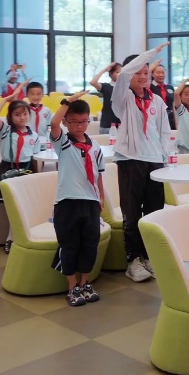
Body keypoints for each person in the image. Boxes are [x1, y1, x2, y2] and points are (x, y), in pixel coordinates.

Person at [111, 44, 172, 283]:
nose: (144, 76)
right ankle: (133, 260)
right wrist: (150, 54)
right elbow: (124, 74)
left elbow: (164, 133)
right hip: (130, 160)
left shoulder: (156, 101)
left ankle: (149, 256)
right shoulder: (123, 98)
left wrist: (164, 158)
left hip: (154, 162)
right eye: (139, 72)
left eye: (147, 72)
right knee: (132, 213)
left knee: (155, 212)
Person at [49, 92, 106, 307]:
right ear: (66, 122)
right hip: (67, 202)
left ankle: (85, 283)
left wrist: (101, 198)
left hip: (91, 202)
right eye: (74, 122)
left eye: (84, 121)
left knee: (90, 244)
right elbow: (54, 123)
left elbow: (99, 175)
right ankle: (72, 286)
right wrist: (67, 102)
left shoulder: (96, 147)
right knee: (69, 245)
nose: (79, 126)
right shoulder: (63, 142)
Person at [0, 81, 43, 252]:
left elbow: (36, 158)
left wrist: (37, 176)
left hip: (27, 169)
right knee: (12, 207)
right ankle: (11, 238)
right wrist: (6, 99)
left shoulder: (34, 135)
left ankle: (15, 238)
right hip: (8, 169)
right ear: (11, 117)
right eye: (17, 114)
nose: (22, 117)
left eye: (25, 114)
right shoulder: (5, 131)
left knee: (23, 206)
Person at [90, 62, 122, 131]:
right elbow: (93, 82)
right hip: (107, 125)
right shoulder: (106, 87)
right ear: (111, 74)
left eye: (121, 73)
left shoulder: (126, 88)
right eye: (117, 72)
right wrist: (105, 70)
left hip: (122, 125)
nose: (120, 75)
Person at [150, 64, 176, 130]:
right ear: (152, 74)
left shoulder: (170, 87)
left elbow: (174, 103)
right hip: (156, 117)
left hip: (170, 118)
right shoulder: (149, 87)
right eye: (158, 73)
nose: (161, 75)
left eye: (163, 73)